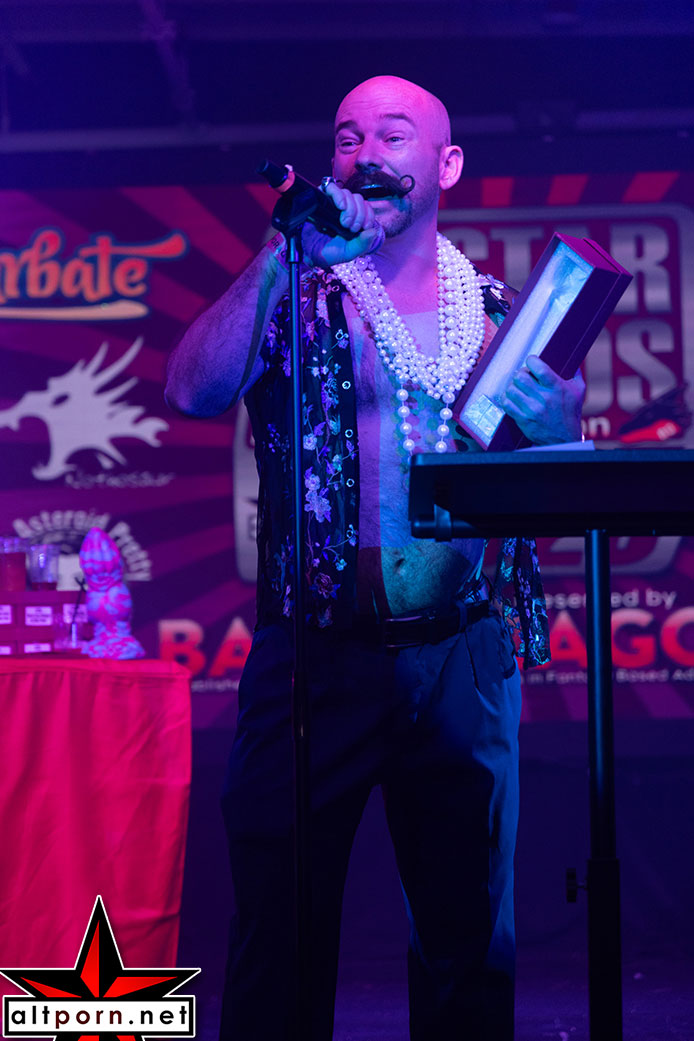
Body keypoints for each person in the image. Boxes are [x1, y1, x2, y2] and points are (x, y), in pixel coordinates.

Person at [166, 75, 585, 1041]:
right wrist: (282, 256)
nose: (366, 157)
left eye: (393, 136)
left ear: (446, 164)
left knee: (468, 943)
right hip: (315, 656)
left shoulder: (495, 310)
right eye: (348, 138)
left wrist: (560, 432)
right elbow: (191, 389)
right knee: (278, 934)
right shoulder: (298, 289)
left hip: (463, 655)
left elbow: (547, 499)